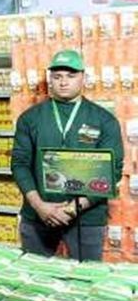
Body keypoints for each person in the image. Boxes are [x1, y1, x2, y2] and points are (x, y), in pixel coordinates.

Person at [11, 49, 123, 260]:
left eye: (71, 76)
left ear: (83, 78)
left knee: (85, 277)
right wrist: (39, 206)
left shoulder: (104, 119)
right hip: (38, 215)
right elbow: (19, 164)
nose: (63, 82)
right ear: (50, 79)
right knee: (34, 276)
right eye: (57, 76)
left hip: (87, 218)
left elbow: (112, 171)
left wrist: (72, 209)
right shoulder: (30, 118)